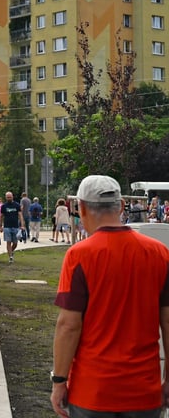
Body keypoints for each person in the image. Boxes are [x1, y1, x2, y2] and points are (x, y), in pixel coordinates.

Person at [50, 175, 169, 417]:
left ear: (80, 208)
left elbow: (68, 326)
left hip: (92, 392)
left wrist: (59, 381)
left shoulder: (79, 256)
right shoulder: (159, 253)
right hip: (143, 391)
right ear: (122, 206)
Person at [0, 191, 23, 264]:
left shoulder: (16, 205)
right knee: (8, 242)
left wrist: (22, 225)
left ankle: (11, 251)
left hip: (15, 226)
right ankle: (10, 257)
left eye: (10, 197)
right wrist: (0, 226)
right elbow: (1, 216)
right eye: (7, 197)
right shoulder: (4, 206)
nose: (9, 198)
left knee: (15, 243)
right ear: (5, 197)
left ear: (12, 197)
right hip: (7, 226)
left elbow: (20, 215)